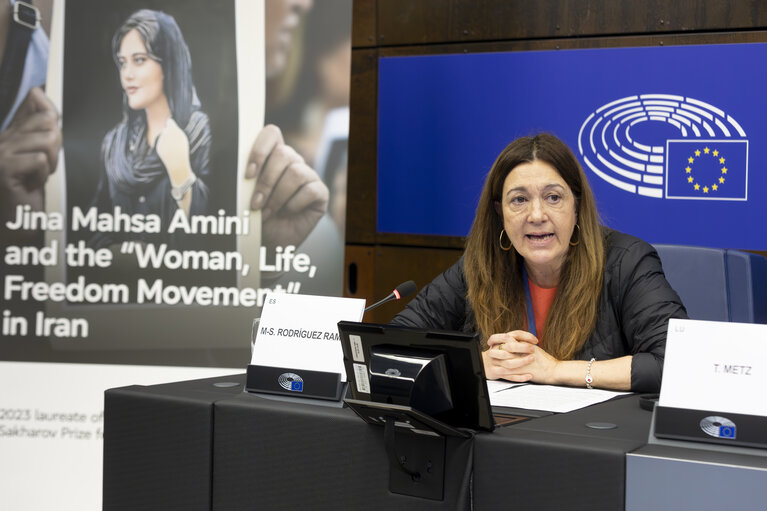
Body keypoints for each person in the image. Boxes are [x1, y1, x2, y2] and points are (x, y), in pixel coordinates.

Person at [392, 133, 687, 393]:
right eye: (519, 200)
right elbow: (395, 343)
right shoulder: (480, 266)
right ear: (500, 213)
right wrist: (477, 363)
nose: (536, 215)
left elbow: (677, 361)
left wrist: (557, 370)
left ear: (577, 205)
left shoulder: (627, 261)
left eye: (553, 197)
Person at [89, 9, 210, 250]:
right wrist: (118, 254)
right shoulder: (114, 143)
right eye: (122, 63)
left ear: (169, 65)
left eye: (139, 60)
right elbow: (92, 227)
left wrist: (181, 173)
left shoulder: (201, 133)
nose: (127, 75)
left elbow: (216, 237)